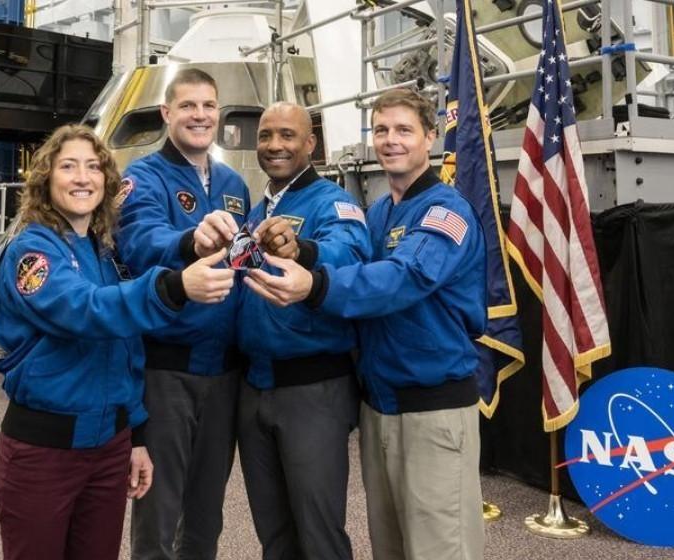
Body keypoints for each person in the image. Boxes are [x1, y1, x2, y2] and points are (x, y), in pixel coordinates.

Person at [243, 89, 487, 560]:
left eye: (403, 130)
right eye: (381, 130)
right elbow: (351, 256)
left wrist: (314, 286)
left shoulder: (446, 211)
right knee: (391, 548)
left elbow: (404, 277)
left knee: (441, 547)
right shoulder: (379, 213)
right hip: (381, 406)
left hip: (431, 409)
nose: (390, 140)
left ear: (430, 137)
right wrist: (307, 255)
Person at [0, 124, 235, 560]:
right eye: (68, 167)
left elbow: (126, 352)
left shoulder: (103, 255)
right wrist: (175, 287)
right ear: (46, 179)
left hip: (107, 450)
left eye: (92, 167)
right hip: (45, 452)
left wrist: (136, 436)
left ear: (106, 182)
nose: (82, 178)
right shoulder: (33, 252)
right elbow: (86, 310)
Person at [194, 101, 371, 560]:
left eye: (288, 136)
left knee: (319, 533)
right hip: (254, 390)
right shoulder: (256, 210)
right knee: (274, 534)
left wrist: (304, 251)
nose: (275, 145)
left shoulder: (333, 202)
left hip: (311, 391)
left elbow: (350, 254)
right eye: (267, 135)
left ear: (310, 144)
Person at [117, 68, 250, 560]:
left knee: (206, 513)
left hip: (225, 371)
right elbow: (138, 240)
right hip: (168, 367)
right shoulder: (142, 178)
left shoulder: (235, 183)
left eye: (209, 106)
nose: (200, 115)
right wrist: (188, 240)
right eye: (188, 106)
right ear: (167, 114)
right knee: (158, 506)